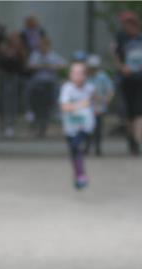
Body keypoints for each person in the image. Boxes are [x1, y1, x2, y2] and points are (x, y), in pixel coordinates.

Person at [110, 10, 142, 155]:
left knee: (141, 111)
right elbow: (115, 55)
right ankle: (131, 138)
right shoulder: (121, 39)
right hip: (127, 80)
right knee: (129, 114)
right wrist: (121, 67)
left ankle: (138, 142)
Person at [59, 60, 96, 189]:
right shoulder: (67, 89)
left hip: (85, 127)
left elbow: (96, 102)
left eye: (80, 73)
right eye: (74, 73)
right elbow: (64, 107)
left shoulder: (90, 88)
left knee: (78, 147)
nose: (77, 76)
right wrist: (81, 105)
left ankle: (80, 174)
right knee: (74, 150)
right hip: (71, 127)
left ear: (85, 75)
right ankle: (79, 174)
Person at [25, 36, 66, 137]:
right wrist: (41, 66)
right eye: (40, 46)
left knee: (50, 102)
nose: (42, 48)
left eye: (44, 46)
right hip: (37, 83)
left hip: (50, 84)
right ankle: (30, 112)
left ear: (48, 46)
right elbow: (29, 65)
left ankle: (53, 114)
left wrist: (52, 67)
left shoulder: (53, 56)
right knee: (31, 94)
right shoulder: (36, 55)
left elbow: (63, 65)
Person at [85, 54, 113, 156]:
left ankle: (98, 148)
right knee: (87, 127)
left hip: (99, 105)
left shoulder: (102, 76)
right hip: (87, 106)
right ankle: (87, 146)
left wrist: (106, 101)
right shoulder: (85, 76)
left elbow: (110, 90)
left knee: (98, 128)